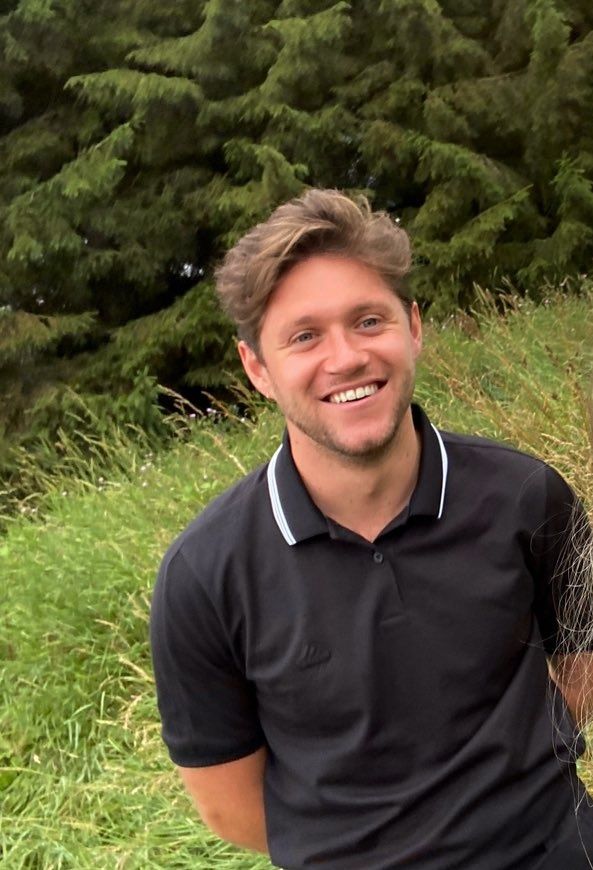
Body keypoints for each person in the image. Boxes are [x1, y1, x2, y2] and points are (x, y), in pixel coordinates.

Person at [150, 189, 593, 869]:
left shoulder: (525, 496)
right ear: (257, 369)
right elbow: (229, 806)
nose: (346, 358)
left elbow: (580, 668)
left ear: (412, 327)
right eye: (304, 336)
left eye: (367, 320)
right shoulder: (203, 576)